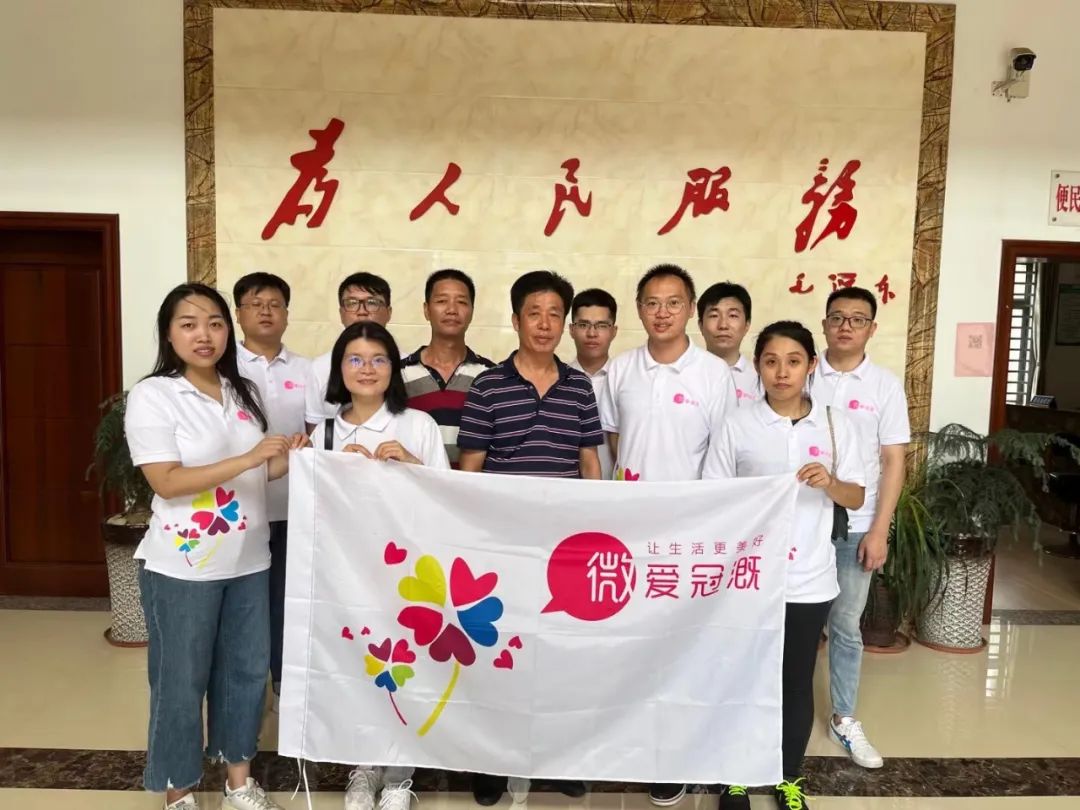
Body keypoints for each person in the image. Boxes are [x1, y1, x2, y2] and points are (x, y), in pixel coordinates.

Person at [125, 283, 308, 810]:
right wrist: (251, 458)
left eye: (214, 323)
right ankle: (178, 791)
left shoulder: (240, 391)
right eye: (188, 324)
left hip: (250, 559)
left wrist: (292, 458)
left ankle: (237, 783)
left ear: (228, 330)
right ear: (169, 334)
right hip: (182, 567)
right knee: (180, 682)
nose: (203, 335)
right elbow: (167, 481)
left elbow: (257, 474)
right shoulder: (155, 395)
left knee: (245, 675)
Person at [703, 321, 865, 810]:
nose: (782, 372)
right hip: (748, 579)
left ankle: (788, 777)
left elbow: (856, 496)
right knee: (742, 676)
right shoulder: (738, 424)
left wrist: (830, 482)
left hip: (809, 578)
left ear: (811, 365)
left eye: (793, 361)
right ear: (757, 366)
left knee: (795, 680)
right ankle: (734, 776)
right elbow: (715, 495)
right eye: (771, 361)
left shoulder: (836, 425)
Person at [458, 270, 603, 805]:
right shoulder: (488, 387)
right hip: (503, 546)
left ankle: (557, 757)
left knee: (560, 656)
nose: (545, 324)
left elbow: (589, 463)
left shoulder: (579, 387)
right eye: (534, 313)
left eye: (554, 314)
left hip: (563, 549)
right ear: (516, 319)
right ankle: (492, 762)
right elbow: (470, 469)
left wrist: (594, 533)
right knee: (501, 653)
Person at [310, 321, 448, 810]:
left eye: (378, 359)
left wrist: (411, 464)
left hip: (408, 573)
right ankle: (364, 767)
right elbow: (312, 505)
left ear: (394, 368)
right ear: (339, 369)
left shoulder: (417, 425)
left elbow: (447, 498)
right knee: (357, 668)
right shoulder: (326, 431)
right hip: (348, 573)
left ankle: (399, 775)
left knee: (406, 669)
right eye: (355, 359)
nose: (366, 369)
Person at [812, 287, 909, 769]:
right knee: (789, 622)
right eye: (837, 317)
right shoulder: (803, 372)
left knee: (846, 625)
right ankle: (777, 709)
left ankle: (844, 717)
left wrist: (879, 529)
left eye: (857, 319)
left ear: (872, 328)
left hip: (856, 522)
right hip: (802, 522)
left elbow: (893, 461)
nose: (845, 326)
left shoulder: (884, 385)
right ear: (824, 325)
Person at [232, 271, 311, 706]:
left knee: (286, 603)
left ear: (286, 313)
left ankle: (284, 690)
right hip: (239, 510)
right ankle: (242, 697)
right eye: (255, 304)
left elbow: (318, 433)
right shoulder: (223, 368)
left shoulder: (307, 369)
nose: (266, 311)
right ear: (238, 314)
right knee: (244, 608)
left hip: (294, 508)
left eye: (274, 304)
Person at [401, 268, 495, 467]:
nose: (452, 309)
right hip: (414, 483)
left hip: (472, 484)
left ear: (472, 311)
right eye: (442, 301)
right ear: (426, 310)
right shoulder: (399, 374)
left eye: (461, 302)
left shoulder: (491, 376)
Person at [305, 272, 393, 429]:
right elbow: (315, 432)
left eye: (372, 303)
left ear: (389, 312)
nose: (362, 311)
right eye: (352, 303)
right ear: (341, 313)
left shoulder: (409, 365)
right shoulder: (319, 367)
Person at [568, 287, 619, 480]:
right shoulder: (557, 381)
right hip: (567, 488)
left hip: (618, 489)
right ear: (571, 330)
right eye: (583, 325)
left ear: (614, 331)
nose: (592, 333)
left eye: (602, 325)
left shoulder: (625, 380)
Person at [697, 281, 759, 404]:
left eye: (733, 315)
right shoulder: (686, 375)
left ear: (747, 325)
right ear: (701, 326)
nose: (723, 325)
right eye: (714, 315)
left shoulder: (759, 379)